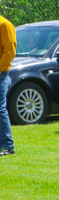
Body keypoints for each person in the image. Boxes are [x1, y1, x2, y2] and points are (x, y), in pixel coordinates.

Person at [0, 13, 16, 156]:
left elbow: (9, 52)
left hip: (1, 73)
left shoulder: (4, 25)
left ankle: (7, 145)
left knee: (0, 108)